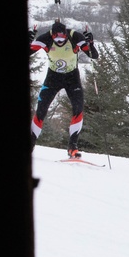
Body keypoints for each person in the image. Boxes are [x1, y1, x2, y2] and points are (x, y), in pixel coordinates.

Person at [29, 19, 99, 158]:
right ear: (52, 35)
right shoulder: (45, 39)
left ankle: (72, 147)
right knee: (41, 111)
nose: (60, 40)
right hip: (53, 78)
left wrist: (90, 42)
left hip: (72, 79)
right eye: (57, 38)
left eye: (63, 37)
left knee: (78, 109)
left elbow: (93, 56)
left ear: (66, 34)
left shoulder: (75, 37)